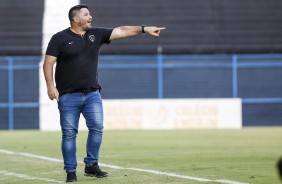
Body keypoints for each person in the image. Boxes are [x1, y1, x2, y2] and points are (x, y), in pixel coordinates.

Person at [43, 4, 165, 182]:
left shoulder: (96, 34)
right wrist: (50, 86)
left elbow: (122, 31)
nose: (90, 16)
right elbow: (48, 63)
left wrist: (145, 29)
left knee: (97, 128)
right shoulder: (59, 38)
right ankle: (71, 171)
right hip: (68, 96)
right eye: (86, 14)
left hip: (92, 94)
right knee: (69, 134)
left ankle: (91, 165)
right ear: (76, 19)